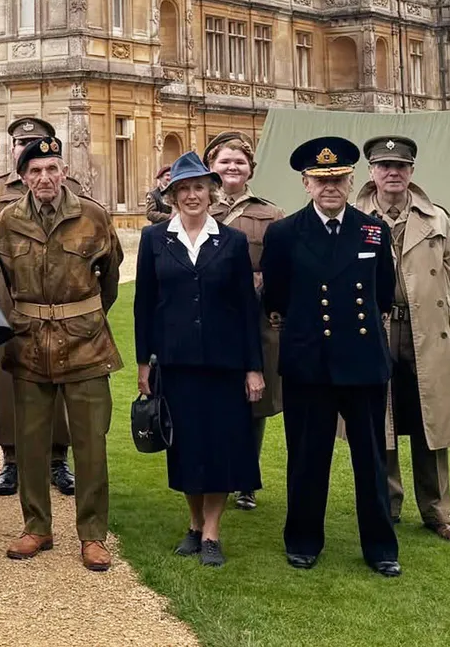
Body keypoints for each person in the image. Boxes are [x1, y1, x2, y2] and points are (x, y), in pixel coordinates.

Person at [261, 136, 401, 577]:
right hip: (308, 361)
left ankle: (380, 547)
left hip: (361, 361)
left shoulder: (373, 230)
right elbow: (275, 297)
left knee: (371, 458)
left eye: (338, 179)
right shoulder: (283, 234)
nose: (330, 187)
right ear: (306, 184)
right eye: (321, 180)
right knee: (307, 456)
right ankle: (303, 539)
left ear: (351, 180)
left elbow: (382, 292)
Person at [0, 136, 124, 573]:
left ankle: (92, 535)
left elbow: (110, 279)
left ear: (63, 171)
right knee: (30, 444)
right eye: (35, 171)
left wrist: (80, 316)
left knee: (91, 445)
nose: (44, 178)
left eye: (52, 169)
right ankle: (37, 527)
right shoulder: (8, 220)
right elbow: (6, 281)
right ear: (24, 177)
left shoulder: (92, 216)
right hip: (29, 344)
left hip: (86, 343)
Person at [134, 151, 264, 567]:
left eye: (198, 188)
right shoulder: (155, 240)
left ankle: (212, 532)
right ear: (172, 195)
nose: (192, 195)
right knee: (186, 446)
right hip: (175, 362)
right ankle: (193, 523)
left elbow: (247, 309)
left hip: (224, 363)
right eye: (183, 189)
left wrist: (253, 367)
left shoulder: (233, 241)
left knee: (221, 446)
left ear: (212, 193)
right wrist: (143, 363)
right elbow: (144, 305)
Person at [357, 136, 450, 543]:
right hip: (375, 328)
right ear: (371, 172)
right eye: (385, 166)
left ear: (411, 172)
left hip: (427, 331)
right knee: (381, 421)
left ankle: (438, 512)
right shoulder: (355, 217)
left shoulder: (436, 218)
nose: (393, 173)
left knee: (432, 424)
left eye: (401, 166)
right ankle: (386, 507)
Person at [0, 117, 83, 498]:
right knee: (8, 382)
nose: (27, 146)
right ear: (13, 148)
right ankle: (12, 459)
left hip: (57, 299)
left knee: (60, 377)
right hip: (9, 300)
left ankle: (57, 459)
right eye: (22, 142)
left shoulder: (72, 189)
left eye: (37, 141)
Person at [204, 131, 286, 512]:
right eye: (225, 161)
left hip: (257, 322)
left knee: (255, 401)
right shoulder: (196, 208)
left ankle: (246, 479)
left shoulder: (270, 214)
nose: (232, 167)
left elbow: (287, 266)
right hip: (209, 321)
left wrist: (262, 279)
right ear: (211, 167)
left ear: (251, 169)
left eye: (240, 161)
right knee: (214, 398)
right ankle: (217, 470)